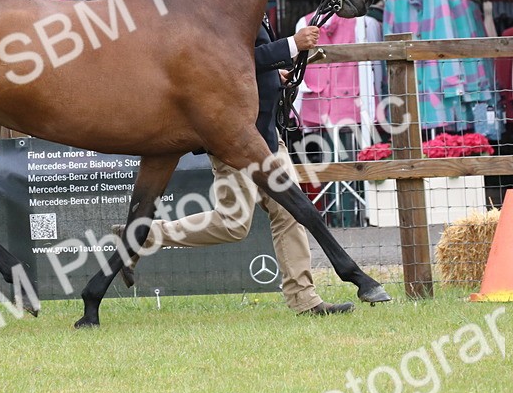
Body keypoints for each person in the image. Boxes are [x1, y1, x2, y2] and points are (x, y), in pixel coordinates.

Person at [119, 18, 356, 316]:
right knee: (233, 224)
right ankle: (142, 235)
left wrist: (272, 76)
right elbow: (227, 59)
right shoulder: (220, 9)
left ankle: (304, 299)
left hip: (266, 135)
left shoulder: (249, 7)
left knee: (290, 214)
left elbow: (247, 61)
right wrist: (291, 45)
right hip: (234, 141)